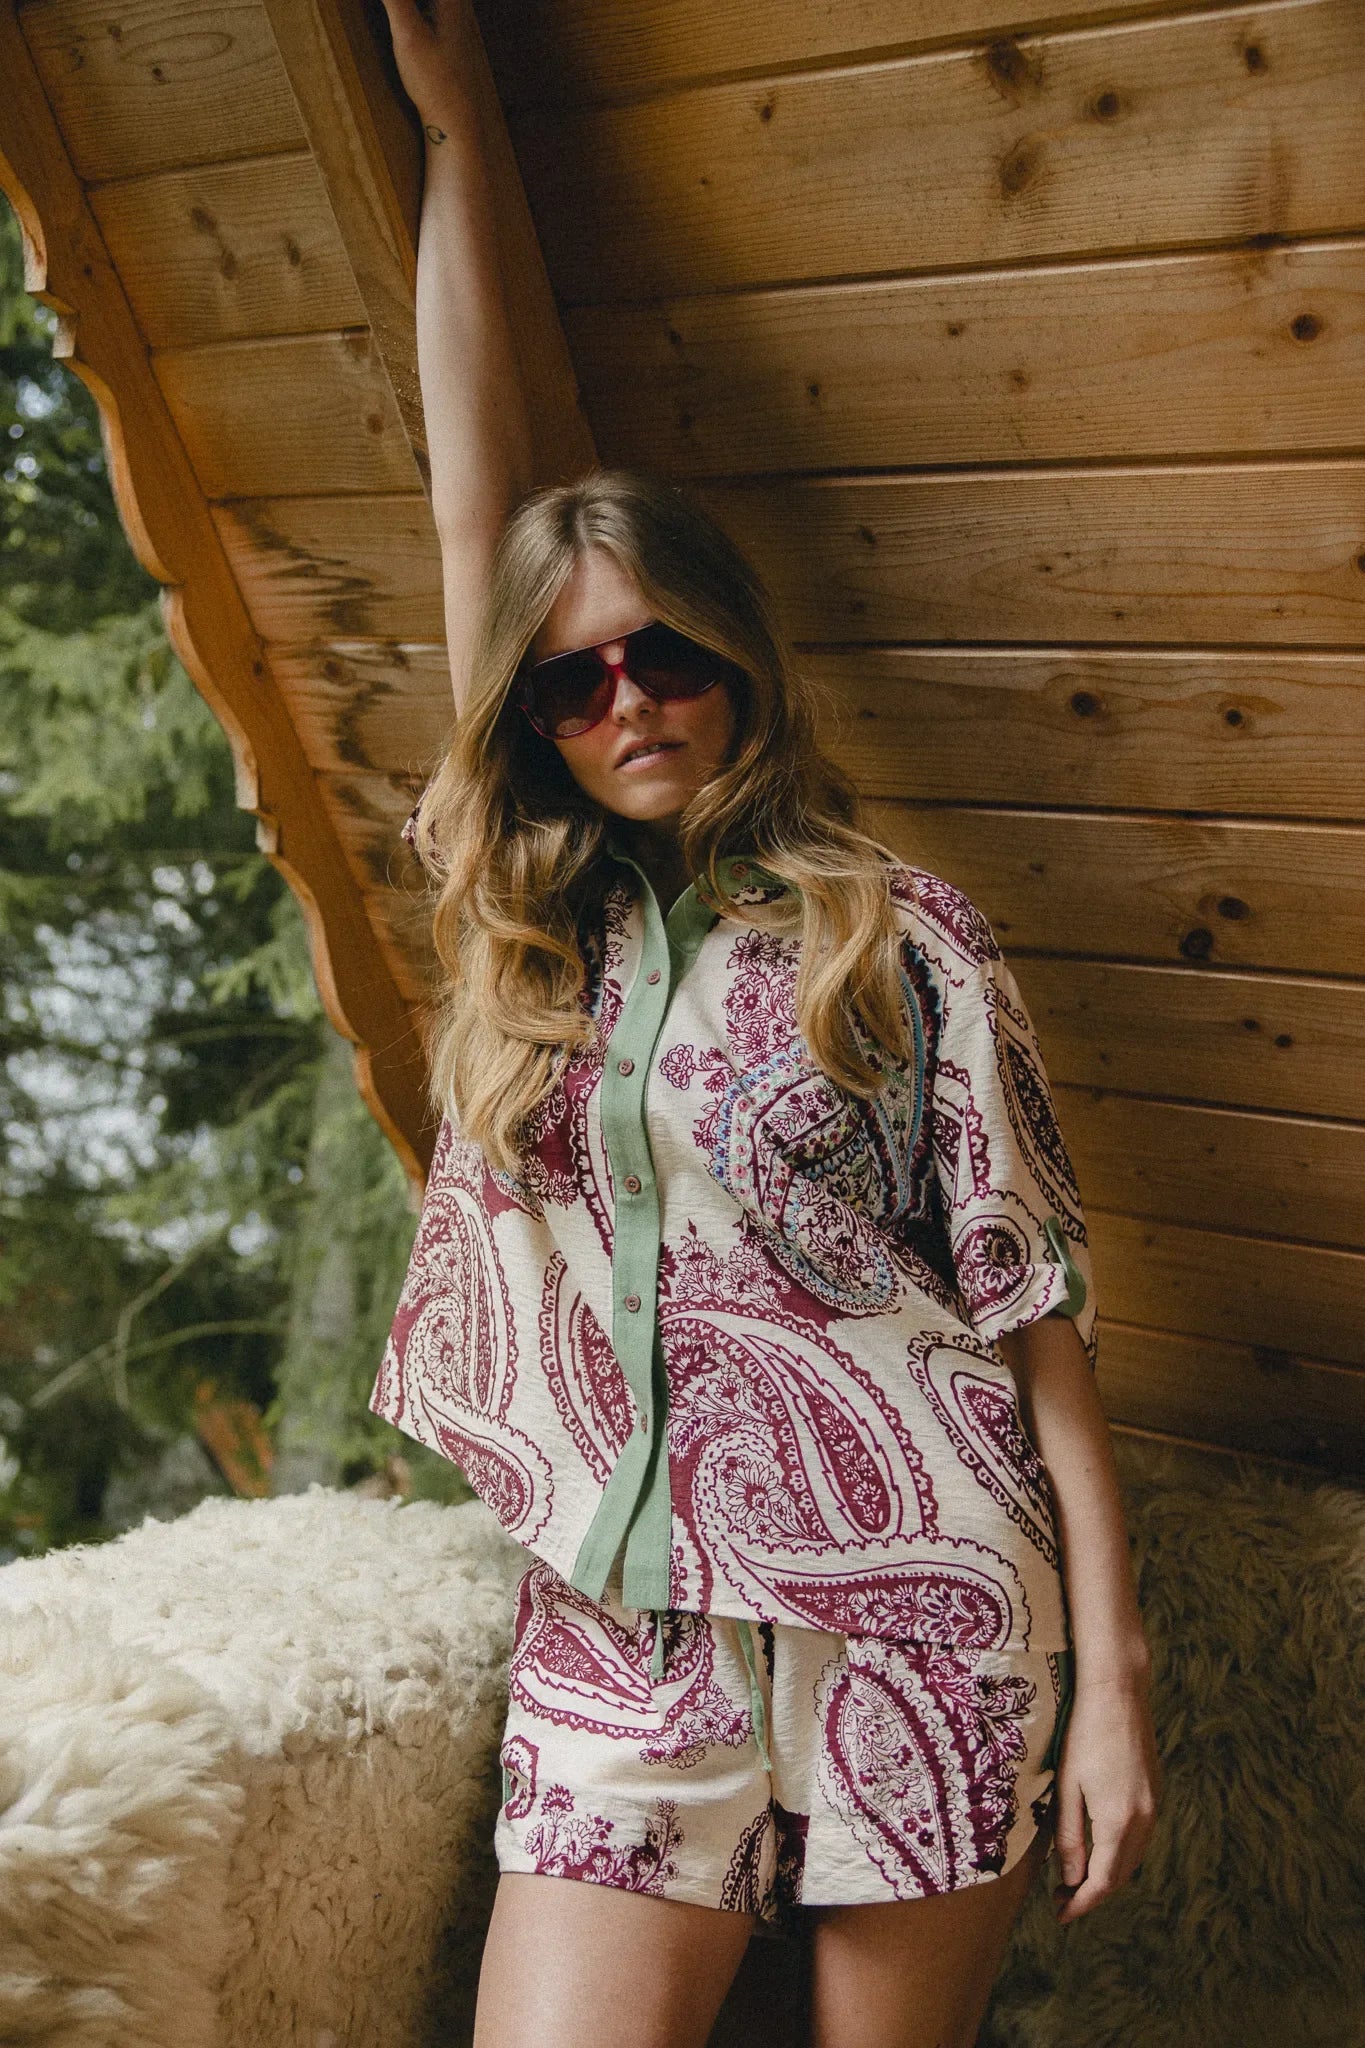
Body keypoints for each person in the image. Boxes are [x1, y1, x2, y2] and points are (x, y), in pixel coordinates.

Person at [369, 6, 1162, 2045]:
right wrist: (458, 139)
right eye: (571, 682)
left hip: (927, 1610)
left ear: (734, 658)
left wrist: (1108, 1685)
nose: (623, 700)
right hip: (624, 1630)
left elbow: (1034, 1318)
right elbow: (478, 514)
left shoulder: (894, 934)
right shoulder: (524, 929)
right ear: (533, 719)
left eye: (661, 655)